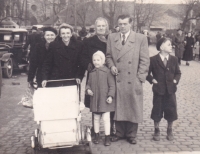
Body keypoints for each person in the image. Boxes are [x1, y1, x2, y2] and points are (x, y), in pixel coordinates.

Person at [106, 14, 150, 144]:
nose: (122, 26)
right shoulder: (111, 37)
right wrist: (112, 65)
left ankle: (131, 134)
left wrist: (140, 78)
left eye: (125, 24)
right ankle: (119, 133)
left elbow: (145, 60)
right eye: (120, 24)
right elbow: (108, 56)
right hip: (117, 78)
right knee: (118, 104)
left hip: (133, 80)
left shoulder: (140, 38)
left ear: (131, 24)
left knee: (133, 105)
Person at [146, 37, 181, 141]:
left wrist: (175, 80)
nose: (172, 46)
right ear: (161, 47)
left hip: (170, 90)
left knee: (171, 110)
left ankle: (169, 129)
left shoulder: (174, 59)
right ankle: (156, 130)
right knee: (157, 110)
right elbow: (147, 73)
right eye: (169, 44)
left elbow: (178, 73)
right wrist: (152, 80)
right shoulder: (153, 60)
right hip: (158, 90)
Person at [86, 51, 115, 146]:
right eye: (94, 60)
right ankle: (97, 135)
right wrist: (88, 90)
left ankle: (107, 137)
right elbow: (88, 84)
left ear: (103, 61)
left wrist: (110, 96)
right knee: (96, 118)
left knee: (106, 119)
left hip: (104, 100)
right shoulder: (91, 72)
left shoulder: (107, 72)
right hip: (95, 100)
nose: (96, 62)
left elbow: (112, 85)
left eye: (98, 60)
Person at [42, 23, 85, 87]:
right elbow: (48, 63)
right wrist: (44, 78)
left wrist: (79, 76)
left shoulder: (78, 45)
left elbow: (81, 63)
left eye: (68, 33)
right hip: (57, 79)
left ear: (71, 34)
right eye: (63, 33)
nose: (65, 35)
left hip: (72, 79)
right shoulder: (53, 45)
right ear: (60, 35)